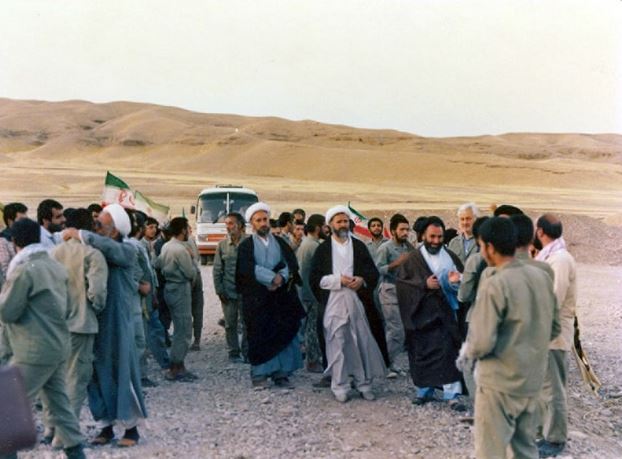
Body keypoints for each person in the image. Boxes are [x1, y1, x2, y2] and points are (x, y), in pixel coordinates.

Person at [456, 217, 560, 459]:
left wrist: (467, 354)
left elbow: (482, 342)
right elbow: (554, 329)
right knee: (525, 448)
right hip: (531, 380)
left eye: (482, 245)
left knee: (491, 450)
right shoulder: (542, 276)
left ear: (490, 247)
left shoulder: (495, 281)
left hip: (499, 385)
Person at [0, 218, 86, 459]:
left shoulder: (24, 270)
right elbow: (67, 306)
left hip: (33, 350)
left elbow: (8, 312)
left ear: (14, 241)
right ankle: (75, 451)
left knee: (8, 406)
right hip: (57, 345)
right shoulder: (54, 266)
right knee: (60, 405)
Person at [63, 203, 147, 447]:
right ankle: (104, 425)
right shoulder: (94, 251)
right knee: (95, 373)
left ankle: (131, 429)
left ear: (115, 230)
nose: (95, 228)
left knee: (121, 370)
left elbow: (112, 250)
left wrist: (81, 234)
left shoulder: (127, 250)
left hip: (116, 322)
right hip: (92, 319)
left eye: (100, 225)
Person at [308, 206, 386, 402]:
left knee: (361, 342)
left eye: (345, 221)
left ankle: (364, 384)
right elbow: (315, 279)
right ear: (330, 225)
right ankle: (340, 385)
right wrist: (338, 280)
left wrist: (361, 280)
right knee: (337, 343)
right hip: (333, 302)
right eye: (339, 222)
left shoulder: (359, 246)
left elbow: (372, 273)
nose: (343, 225)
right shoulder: (323, 249)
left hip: (357, 301)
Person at [49, 209, 108, 444]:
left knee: (58, 379)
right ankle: (64, 436)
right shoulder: (92, 254)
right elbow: (98, 293)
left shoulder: (54, 252)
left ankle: (51, 429)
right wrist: (96, 309)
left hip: (56, 324)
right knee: (76, 381)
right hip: (81, 324)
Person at [395, 216, 465, 410]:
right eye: (432, 237)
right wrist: (423, 284)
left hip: (445, 316)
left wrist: (453, 282)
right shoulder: (413, 259)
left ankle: (452, 395)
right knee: (422, 353)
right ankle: (424, 391)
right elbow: (402, 284)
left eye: (439, 237)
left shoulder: (451, 257)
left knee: (449, 353)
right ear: (423, 236)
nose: (436, 241)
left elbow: (463, 283)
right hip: (421, 317)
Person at [236, 202, 305, 389]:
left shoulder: (281, 242)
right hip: (258, 300)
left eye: (265, 219)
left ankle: (281, 373)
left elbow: (289, 264)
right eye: (258, 220)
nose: (263, 223)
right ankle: (260, 374)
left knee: (283, 332)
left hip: (280, 299)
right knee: (260, 335)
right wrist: (270, 278)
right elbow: (247, 269)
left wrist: (281, 278)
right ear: (252, 224)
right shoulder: (246, 246)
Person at [535, 214, 577, 457]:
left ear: (540, 231)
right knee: (544, 385)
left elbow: (553, 298)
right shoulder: (550, 256)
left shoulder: (560, 259)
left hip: (553, 333)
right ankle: (543, 432)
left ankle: (555, 438)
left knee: (553, 387)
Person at [155, 217, 198, 381]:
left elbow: (157, 264)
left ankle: (178, 365)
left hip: (169, 288)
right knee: (183, 330)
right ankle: (175, 367)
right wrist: (192, 259)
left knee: (179, 327)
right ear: (183, 230)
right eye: (187, 228)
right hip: (180, 289)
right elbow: (190, 272)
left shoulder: (166, 246)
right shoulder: (181, 250)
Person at [375, 213, 414, 377]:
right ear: (393, 231)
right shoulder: (385, 248)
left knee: (400, 330)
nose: (405, 233)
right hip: (389, 290)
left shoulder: (408, 247)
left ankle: (390, 363)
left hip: (404, 291)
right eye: (402, 230)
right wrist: (396, 263)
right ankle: (382, 365)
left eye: (407, 229)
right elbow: (378, 269)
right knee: (395, 330)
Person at [213, 212, 248, 363]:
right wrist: (219, 290)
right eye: (226, 224)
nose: (228, 227)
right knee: (230, 324)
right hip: (229, 291)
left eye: (231, 223)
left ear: (240, 225)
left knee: (248, 323)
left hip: (246, 292)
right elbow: (217, 269)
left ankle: (247, 352)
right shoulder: (222, 246)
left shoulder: (250, 243)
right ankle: (233, 352)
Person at [295, 214, 326, 373]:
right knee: (312, 328)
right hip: (311, 294)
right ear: (318, 227)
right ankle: (313, 361)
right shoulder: (313, 246)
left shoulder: (306, 243)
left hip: (305, 292)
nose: (326, 229)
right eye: (324, 226)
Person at [185, 226, 204, 351]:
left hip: (188, 278)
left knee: (187, 312)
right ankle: (196, 340)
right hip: (196, 275)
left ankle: (189, 340)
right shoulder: (191, 240)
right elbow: (197, 258)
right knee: (197, 311)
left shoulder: (177, 243)